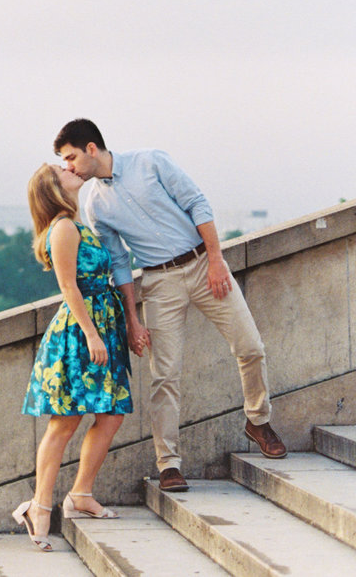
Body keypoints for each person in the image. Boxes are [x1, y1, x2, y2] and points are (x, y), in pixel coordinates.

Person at [54, 117, 285, 493]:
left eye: (70, 158)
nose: (68, 167)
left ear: (91, 149)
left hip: (203, 264)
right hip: (159, 282)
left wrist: (214, 260)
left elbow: (196, 202)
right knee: (165, 375)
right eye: (64, 162)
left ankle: (258, 420)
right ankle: (169, 464)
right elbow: (118, 263)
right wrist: (132, 320)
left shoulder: (150, 162)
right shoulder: (96, 205)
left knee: (250, 347)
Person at [14, 163, 132, 551]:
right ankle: (40, 506)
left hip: (101, 324)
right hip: (82, 331)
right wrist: (93, 334)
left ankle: (81, 494)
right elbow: (68, 285)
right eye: (59, 169)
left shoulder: (75, 223)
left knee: (111, 414)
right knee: (64, 421)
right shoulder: (64, 228)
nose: (69, 168)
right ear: (53, 187)